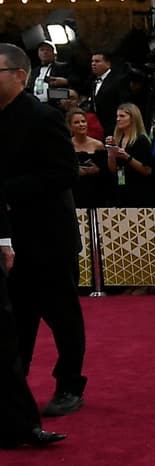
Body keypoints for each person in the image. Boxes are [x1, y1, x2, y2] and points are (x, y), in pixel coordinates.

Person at [0, 42, 88, 420]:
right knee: (16, 319)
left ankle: (69, 385)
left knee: (62, 315)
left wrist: (7, 190)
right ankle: (14, 395)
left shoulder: (43, 117)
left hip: (49, 235)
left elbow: (65, 173)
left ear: (20, 75)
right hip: (9, 237)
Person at [103, 104, 155, 207]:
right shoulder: (118, 139)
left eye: (122, 116)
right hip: (121, 190)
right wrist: (111, 152)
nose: (118, 119)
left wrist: (127, 157)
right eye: (117, 116)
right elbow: (113, 169)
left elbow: (147, 170)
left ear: (133, 118)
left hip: (139, 192)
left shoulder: (141, 140)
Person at [67, 108, 108, 207]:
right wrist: (76, 171)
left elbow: (106, 171)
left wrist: (97, 170)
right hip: (75, 192)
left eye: (83, 121)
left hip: (96, 190)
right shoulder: (66, 146)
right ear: (70, 126)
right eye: (76, 122)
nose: (81, 124)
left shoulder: (98, 145)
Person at [88, 51, 128, 135]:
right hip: (97, 127)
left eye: (97, 61)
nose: (93, 64)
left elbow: (123, 104)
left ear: (108, 64)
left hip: (114, 126)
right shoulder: (93, 81)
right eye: (92, 61)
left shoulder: (119, 80)